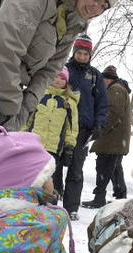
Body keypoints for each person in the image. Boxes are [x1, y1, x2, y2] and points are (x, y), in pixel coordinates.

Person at [0, 0, 117, 131]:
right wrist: (9, 109)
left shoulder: (72, 23)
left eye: (103, 6)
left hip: (6, 91)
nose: (96, 8)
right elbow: (4, 50)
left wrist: (26, 107)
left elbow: (49, 71)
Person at [0, 124, 77, 253]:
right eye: (49, 176)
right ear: (36, 184)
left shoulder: (6, 217)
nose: (52, 181)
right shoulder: (29, 225)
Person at [54, 34, 108, 220]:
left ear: (90, 55)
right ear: (74, 52)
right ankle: (51, 202)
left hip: (83, 130)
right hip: (60, 126)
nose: (83, 56)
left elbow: (102, 103)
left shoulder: (95, 75)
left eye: (86, 54)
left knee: (76, 169)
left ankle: (71, 208)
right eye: (80, 53)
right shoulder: (64, 69)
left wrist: (99, 123)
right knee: (54, 166)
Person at [23, 66, 80, 199]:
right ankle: (28, 201)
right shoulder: (40, 95)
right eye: (56, 76)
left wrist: (69, 145)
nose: (58, 80)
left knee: (49, 178)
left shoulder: (69, 102)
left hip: (54, 147)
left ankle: (49, 203)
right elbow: (27, 119)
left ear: (66, 81)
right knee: (32, 175)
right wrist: (21, 134)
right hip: (34, 144)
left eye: (62, 78)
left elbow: (72, 128)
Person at [82, 65, 131, 209]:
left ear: (107, 80)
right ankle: (120, 197)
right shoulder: (118, 89)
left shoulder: (115, 90)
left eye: (103, 80)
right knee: (114, 168)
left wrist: (99, 130)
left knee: (103, 168)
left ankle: (99, 198)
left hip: (111, 139)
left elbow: (112, 114)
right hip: (116, 140)